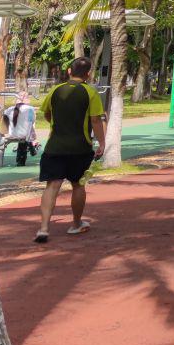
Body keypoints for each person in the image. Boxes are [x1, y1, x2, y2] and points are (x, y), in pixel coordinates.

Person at [34, 59, 106, 243]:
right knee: (78, 185)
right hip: (80, 148)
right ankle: (76, 223)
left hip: (54, 147)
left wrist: (57, 125)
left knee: (52, 186)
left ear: (68, 71)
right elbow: (96, 120)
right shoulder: (90, 92)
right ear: (88, 74)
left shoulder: (55, 90)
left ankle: (43, 229)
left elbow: (47, 113)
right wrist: (102, 144)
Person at [0, 92, 39, 167]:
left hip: (13, 134)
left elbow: (4, 122)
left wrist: (2, 135)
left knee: (24, 136)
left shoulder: (9, 109)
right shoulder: (30, 109)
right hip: (25, 135)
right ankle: (25, 155)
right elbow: (31, 122)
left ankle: (29, 150)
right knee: (25, 136)